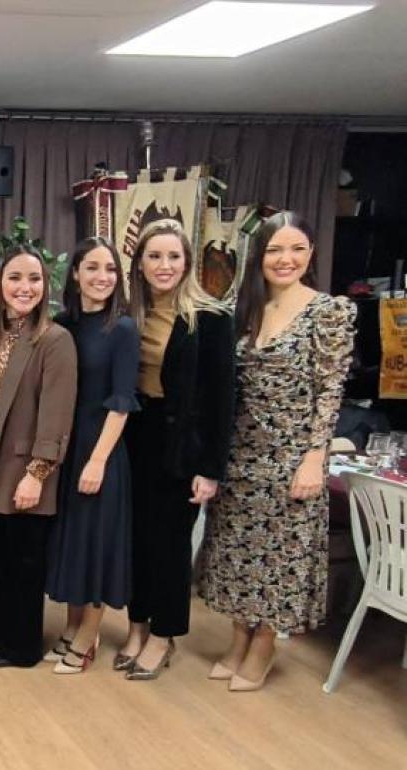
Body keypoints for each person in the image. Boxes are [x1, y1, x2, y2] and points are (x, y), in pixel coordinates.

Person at [196, 212, 355, 691]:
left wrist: (314, 457)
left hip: (291, 456)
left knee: (280, 559)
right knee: (238, 553)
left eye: (296, 249)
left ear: (310, 254)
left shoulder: (329, 311)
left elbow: (330, 391)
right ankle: (239, 637)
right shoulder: (245, 308)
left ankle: (264, 644)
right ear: (258, 257)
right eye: (274, 250)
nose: (285, 259)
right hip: (242, 452)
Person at [117, 219, 235, 680]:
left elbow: (222, 400)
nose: (164, 266)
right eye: (154, 257)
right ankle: (136, 624)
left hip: (181, 447)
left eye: (173, 257)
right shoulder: (132, 313)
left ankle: (163, 636)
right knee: (136, 540)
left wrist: (211, 469)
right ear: (140, 264)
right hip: (136, 438)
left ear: (187, 263)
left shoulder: (212, 318)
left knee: (168, 545)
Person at [0, 244, 78, 670]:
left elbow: (55, 416)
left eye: (34, 279)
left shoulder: (54, 340)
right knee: (0, 561)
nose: (25, 287)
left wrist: (37, 473)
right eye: (15, 278)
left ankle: (22, 647)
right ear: (1, 284)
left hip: (26, 469)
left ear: (45, 285)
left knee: (25, 563)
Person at [43, 237, 140, 674]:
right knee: (72, 541)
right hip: (67, 445)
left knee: (97, 543)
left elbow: (122, 401)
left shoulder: (122, 328)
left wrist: (98, 460)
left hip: (100, 448)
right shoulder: (62, 323)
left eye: (111, 269)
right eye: (93, 267)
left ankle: (87, 637)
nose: (103, 277)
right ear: (76, 273)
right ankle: (70, 626)